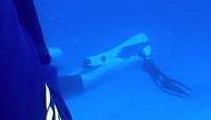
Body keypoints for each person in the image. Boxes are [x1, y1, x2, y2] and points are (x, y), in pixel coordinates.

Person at [51, 33, 192, 97]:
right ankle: (91, 65)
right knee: (71, 82)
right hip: (49, 84)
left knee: (86, 81)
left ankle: (136, 60)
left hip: (49, 90)